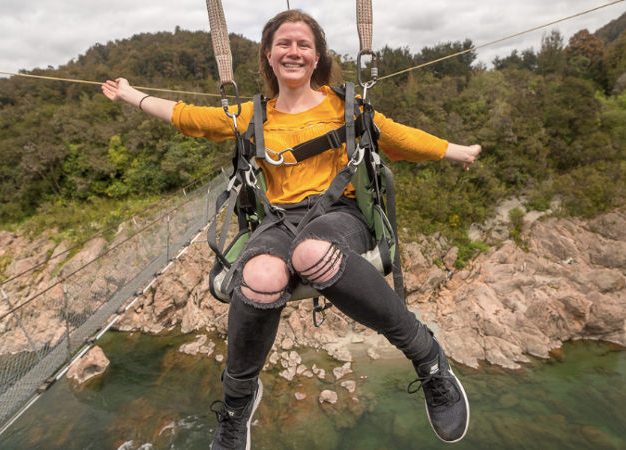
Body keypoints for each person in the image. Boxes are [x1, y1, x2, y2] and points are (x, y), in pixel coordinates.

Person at [102, 9, 481, 449]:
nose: (293, 51)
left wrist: (455, 151)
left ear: (317, 56)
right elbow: (189, 117)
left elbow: (398, 137)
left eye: (303, 44)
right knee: (259, 277)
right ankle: (237, 403)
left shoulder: (347, 107)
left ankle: (427, 358)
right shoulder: (251, 115)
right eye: (284, 43)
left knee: (312, 252)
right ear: (269, 55)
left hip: (341, 213)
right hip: (278, 218)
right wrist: (132, 95)